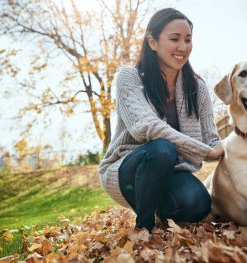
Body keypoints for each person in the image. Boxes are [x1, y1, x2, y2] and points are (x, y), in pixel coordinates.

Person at [98, 8, 224, 231]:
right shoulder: (129, 77)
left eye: (188, 40)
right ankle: (144, 226)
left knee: (199, 204)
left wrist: (232, 146)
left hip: (173, 171)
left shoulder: (198, 88)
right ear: (153, 43)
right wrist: (205, 151)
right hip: (128, 168)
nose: (183, 47)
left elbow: (212, 139)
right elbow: (147, 127)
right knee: (162, 149)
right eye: (174, 39)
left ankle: (158, 207)